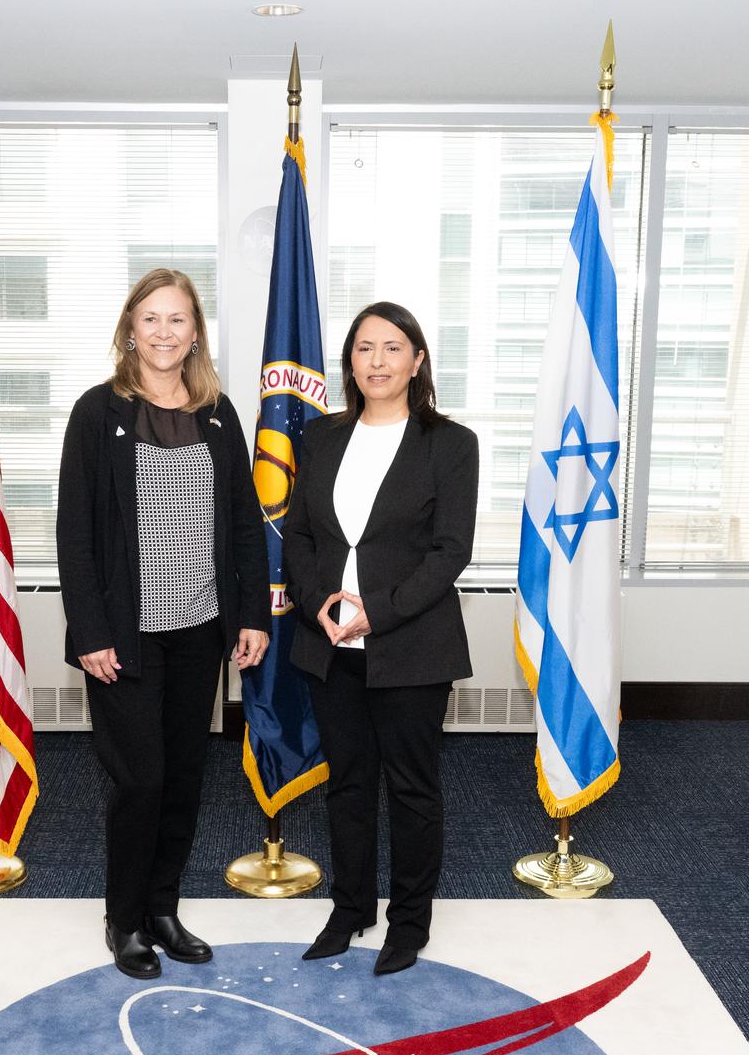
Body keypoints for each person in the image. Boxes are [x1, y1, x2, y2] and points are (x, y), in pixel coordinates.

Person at [57, 268, 270, 980]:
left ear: (196, 333)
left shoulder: (218, 413)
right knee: (139, 780)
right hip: (124, 636)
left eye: (177, 319)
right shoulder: (97, 414)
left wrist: (250, 616)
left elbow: (244, 524)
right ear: (129, 328)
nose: (163, 332)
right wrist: (89, 631)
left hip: (201, 629)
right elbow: (75, 534)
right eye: (150, 318)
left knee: (183, 778)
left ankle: (164, 909)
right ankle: (124, 920)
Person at [283, 301, 478, 975]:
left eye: (393, 348)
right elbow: (301, 538)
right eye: (365, 349)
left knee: (412, 789)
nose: (377, 361)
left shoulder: (451, 444)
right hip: (331, 643)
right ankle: (351, 907)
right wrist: (319, 604)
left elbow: (452, 550)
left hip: (413, 645)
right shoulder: (323, 438)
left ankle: (410, 921)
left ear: (417, 360)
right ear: (350, 363)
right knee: (347, 783)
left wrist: (381, 611)